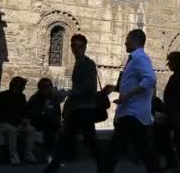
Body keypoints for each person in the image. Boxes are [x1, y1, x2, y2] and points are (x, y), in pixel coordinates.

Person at [45, 34, 108, 173]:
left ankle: (51, 169)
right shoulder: (78, 63)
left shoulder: (88, 63)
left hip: (84, 109)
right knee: (89, 143)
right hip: (78, 110)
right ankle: (104, 168)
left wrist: (68, 93)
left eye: (79, 46)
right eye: (73, 46)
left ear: (85, 47)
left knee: (69, 141)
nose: (76, 49)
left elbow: (89, 87)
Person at [102, 29, 159, 173]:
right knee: (145, 152)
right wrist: (115, 88)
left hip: (133, 113)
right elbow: (133, 83)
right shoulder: (135, 59)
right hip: (132, 114)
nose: (125, 42)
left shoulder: (140, 58)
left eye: (127, 39)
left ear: (135, 40)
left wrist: (127, 96)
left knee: (114, 151)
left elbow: (150, 79)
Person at [0, 76, 37, 165]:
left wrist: (25, 119)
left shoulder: (21, 97)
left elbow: (25, 111)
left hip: (17, 123)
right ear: (16, 86)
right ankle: (13, 155)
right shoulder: (1, 96)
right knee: (12, 130)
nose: (24, 88)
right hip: (3, 123)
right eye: (22, 86)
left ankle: (28, 153)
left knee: (31, 130)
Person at [27, 78, 62, 157]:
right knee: (51, 128)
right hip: (38, 122)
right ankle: (49, 153)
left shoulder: (53, 98)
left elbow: (58, 112)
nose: (47, 88)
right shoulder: (35, 98)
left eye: (49, 86)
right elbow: (32, 113)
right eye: (44, 86)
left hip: (51, 121)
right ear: (40, 87)